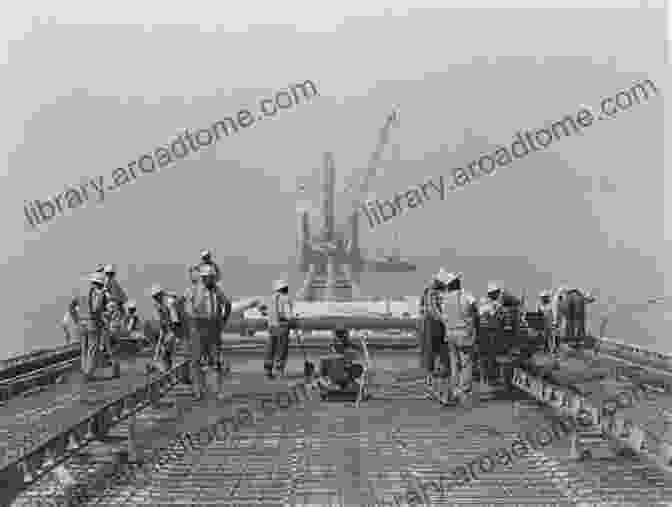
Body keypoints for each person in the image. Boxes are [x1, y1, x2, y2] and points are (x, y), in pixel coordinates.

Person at [184, 264, 232, 399]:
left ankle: (217, 390)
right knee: (196, 361)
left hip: (213, 327)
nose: (210, 280)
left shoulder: (218, 290)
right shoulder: (193, 290)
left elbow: (227, 304)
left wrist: (223, 320)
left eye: (212, 278)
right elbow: (188, 310)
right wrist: (195, 322)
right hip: (198, 326)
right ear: (203, 278)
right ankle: (198, 391)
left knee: (215, 360)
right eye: (207, 278)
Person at [439, 272, 476, 403]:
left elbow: (443, 316)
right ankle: (463, 392)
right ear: (458, 284)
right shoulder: (467, 295)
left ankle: (455, 389)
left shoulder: (445, 298)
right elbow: (474, 308)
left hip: (450, 335)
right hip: (464, 334)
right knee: (466, 364)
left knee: (454, 364)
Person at [419, 269, 451, 386]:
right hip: (432, 324)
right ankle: (431, 377)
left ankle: (438, 374)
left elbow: (425, 309)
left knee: (439, 350)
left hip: (434, 324)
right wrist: (444, 319)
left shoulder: (431, 291)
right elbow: (433, 310)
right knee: (432, 351)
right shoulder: (432, 292)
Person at [265, 280, 294, 379]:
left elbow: (267, 313)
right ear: (284, 288)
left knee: (271, 349)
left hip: (272, 327)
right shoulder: (285, 299)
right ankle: (279, 370)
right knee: (281, 349)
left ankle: (268, 369)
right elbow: (288, 316)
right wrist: (292, 321)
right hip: (282, 327)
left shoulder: (271, 299)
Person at [82, 272, 109, 380]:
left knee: (84, 349)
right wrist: (102, 294)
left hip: (82, 323)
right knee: (93, 348)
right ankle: (88, 373)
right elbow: (96, 308)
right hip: (92, 323)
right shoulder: (97, 292)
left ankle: (84, 370)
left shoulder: (85, 291)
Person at [148, 285, 181, 373]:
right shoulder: (157, 304)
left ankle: (168, 367)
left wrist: (173, 334)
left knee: (166, 348)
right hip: (168, 326)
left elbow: (175, 320)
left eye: (156, 296)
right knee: (163, 348)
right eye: (154, 297)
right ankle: (166, 368)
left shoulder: (169, 302)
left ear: (160, 294)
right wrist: (163, 329)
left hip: (177, 325)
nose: (155, 298)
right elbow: (161, 319)